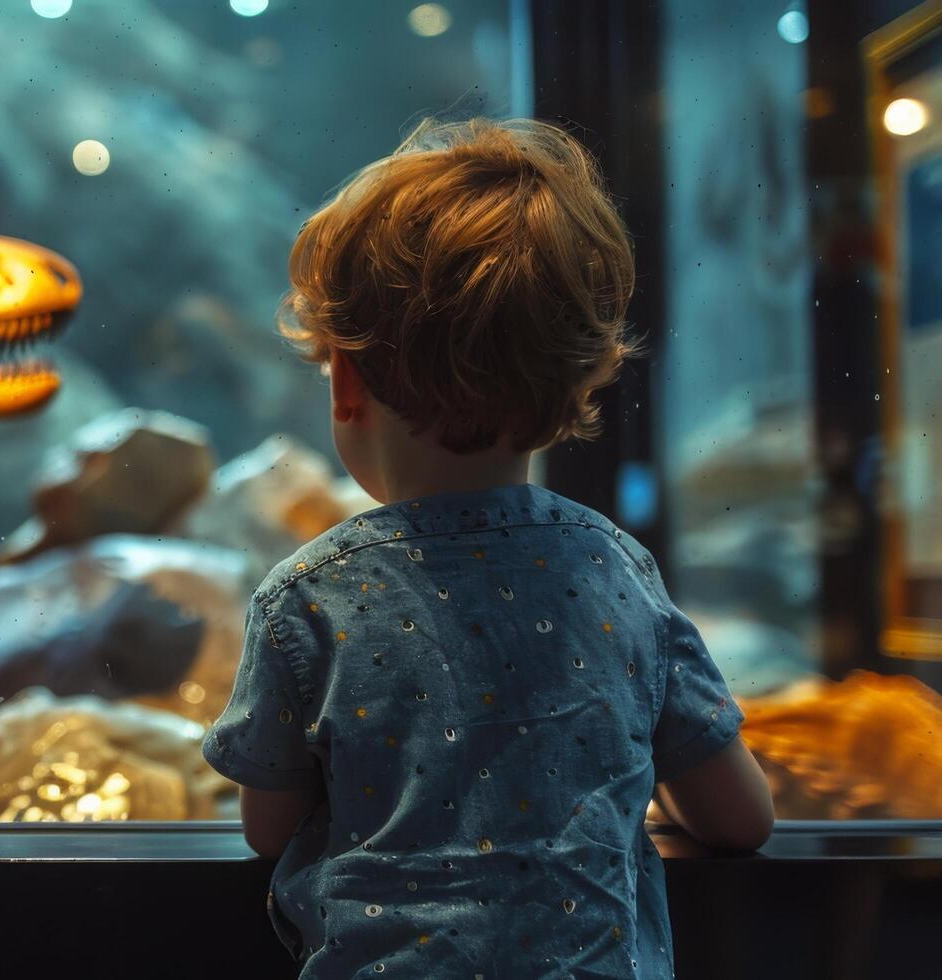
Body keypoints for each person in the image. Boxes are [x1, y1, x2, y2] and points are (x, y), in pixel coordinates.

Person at [202, 117, 773, 978]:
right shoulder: (617, 571)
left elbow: (266, 826)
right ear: (579, 380)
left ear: (347, 383)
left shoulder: (307, 597)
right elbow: (739, 819)